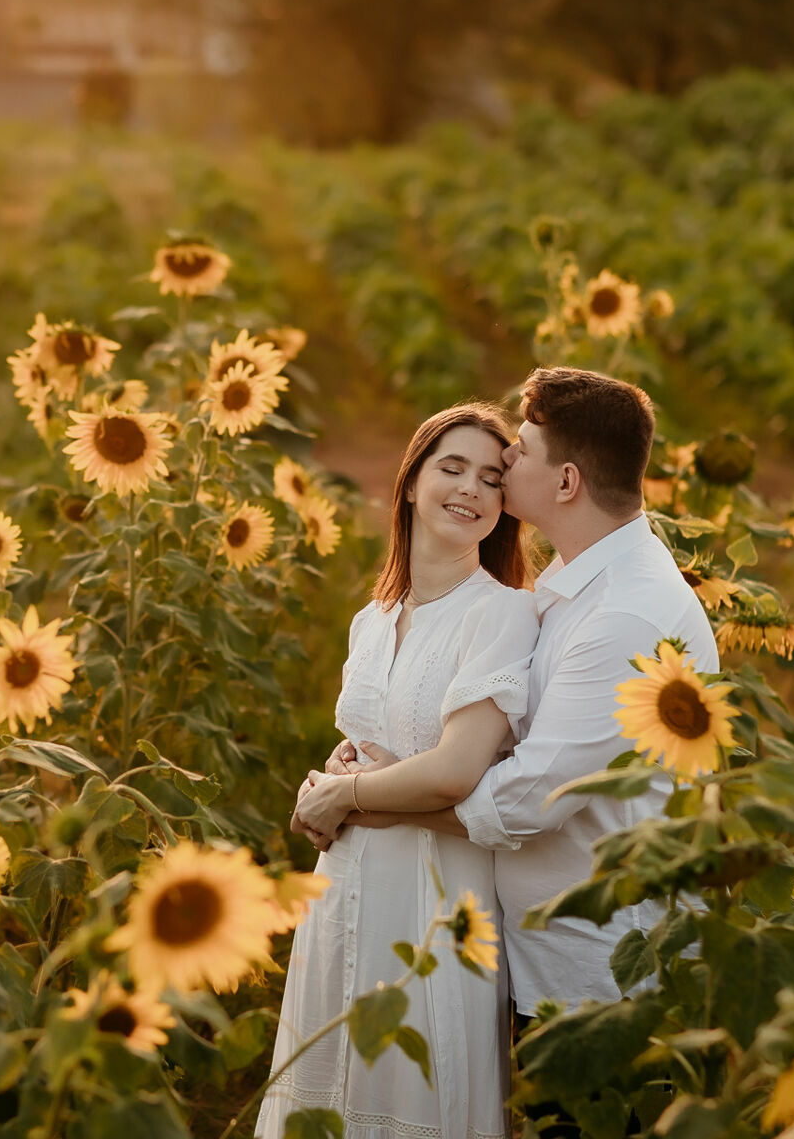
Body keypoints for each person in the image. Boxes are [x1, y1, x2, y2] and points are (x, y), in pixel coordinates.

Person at [307, 367, 721, 1138]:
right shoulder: (574, 586)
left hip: (608, 972)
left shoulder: (624, 611)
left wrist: (359, 801)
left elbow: (528, 799)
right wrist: (377, 761)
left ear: (564, 481)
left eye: (516, 455)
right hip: (547, 956)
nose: (504, 466)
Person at [256, 403, 539, 1139]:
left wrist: (341, 795)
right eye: (452, 467)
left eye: (489, 478)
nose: (471, 489)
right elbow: (366, 741)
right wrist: (331, 777)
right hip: (345, 886)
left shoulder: (502, 615)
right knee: (324, 1091)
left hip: (436, 898)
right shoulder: (371, 619)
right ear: (411, 481)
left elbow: (452, 772)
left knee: (412, 1085)